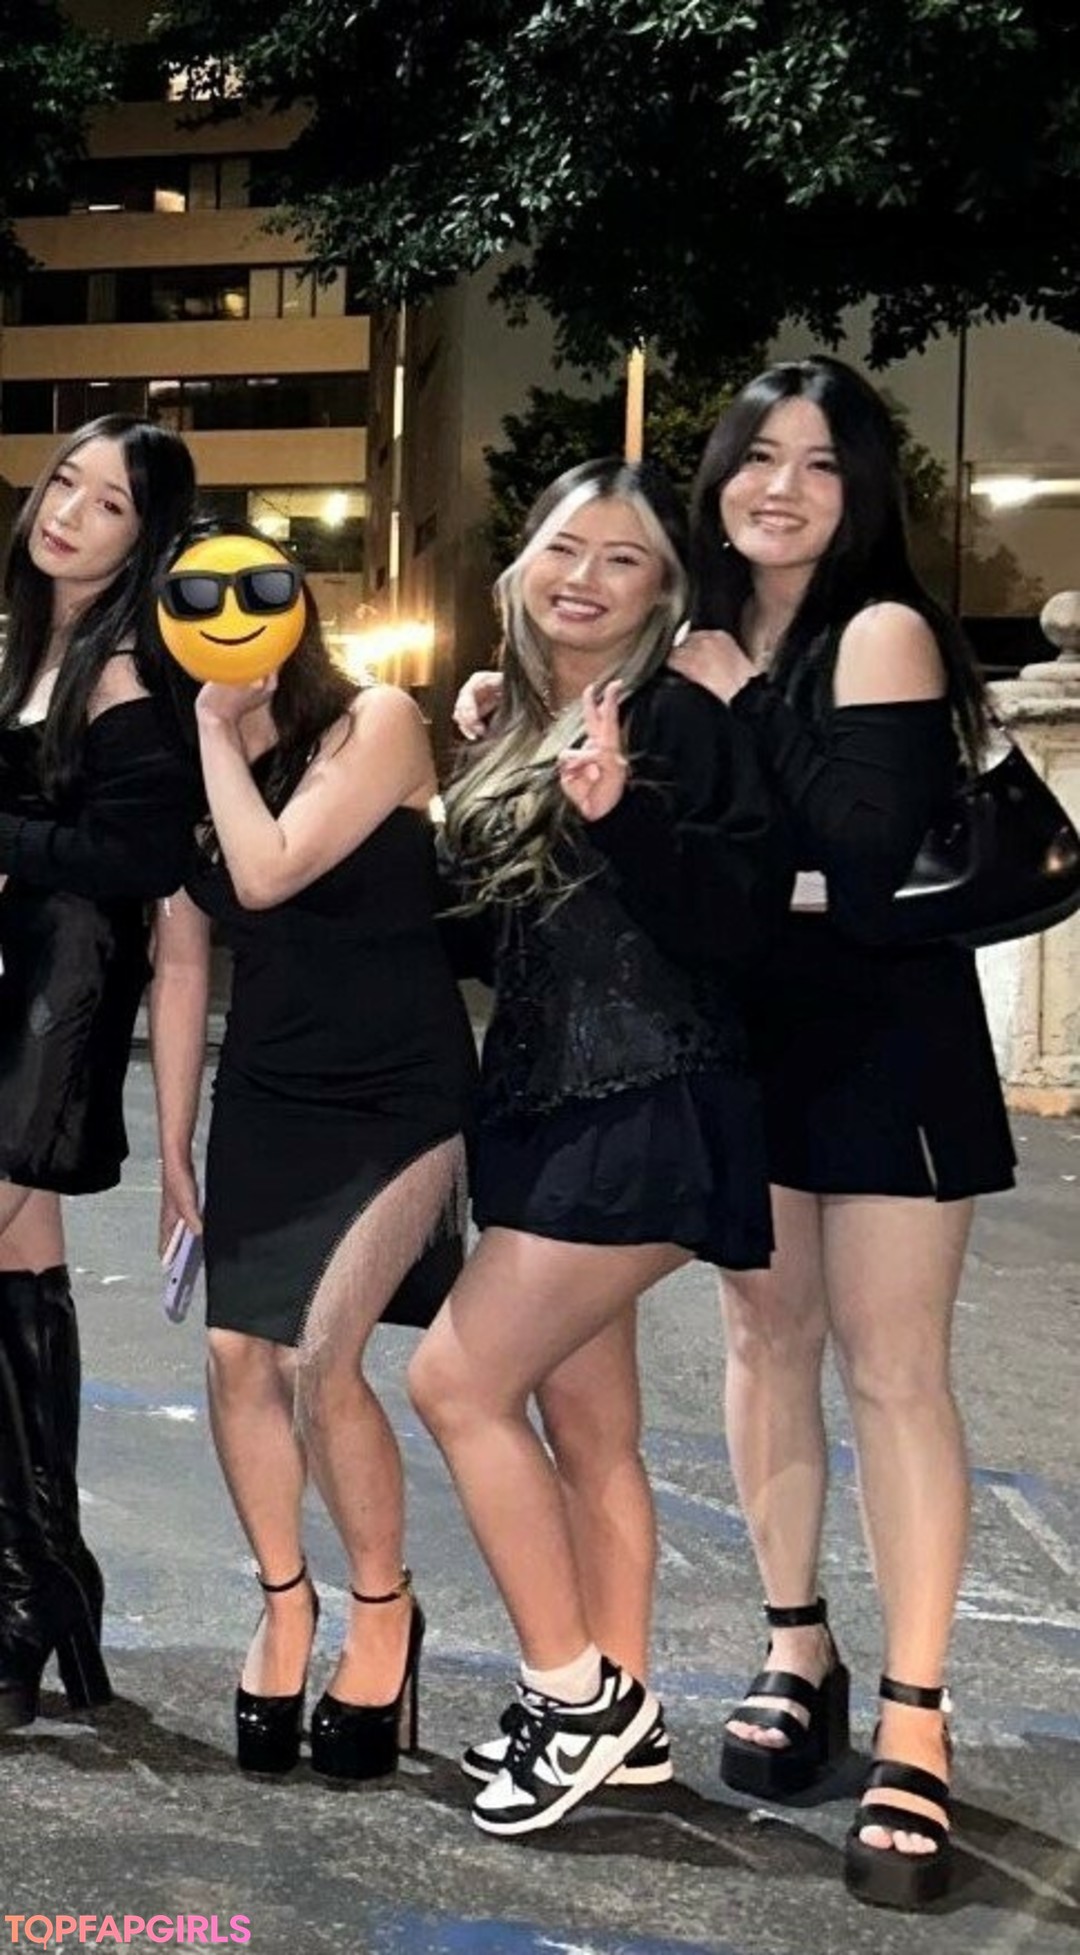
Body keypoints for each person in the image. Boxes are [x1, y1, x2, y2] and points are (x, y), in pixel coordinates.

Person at [451, 357, 1016, 1909]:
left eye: (821, 464)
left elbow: (857, 857)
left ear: (863, 489)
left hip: (887, 1041)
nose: (782, 488)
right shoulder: (689, 630)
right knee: (766, 1344)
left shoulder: (877, 633)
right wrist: (524, 713)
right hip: (744, 1033)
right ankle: (795, 1642)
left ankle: (915, 1717)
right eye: (758, 456)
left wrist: (735, 695)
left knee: (893, 1369)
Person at [408, 457, 791, 1837]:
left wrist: (623, 806)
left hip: (648, 1097)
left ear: (664, 592)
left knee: (456, 1380)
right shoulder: (513, 720)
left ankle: (571, 1691)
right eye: (566, 547)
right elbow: (480, 940)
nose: (586, 577)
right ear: (524, 566)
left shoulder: (676, 717)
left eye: (624, 558)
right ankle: (623, 1714)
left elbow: (739, 921)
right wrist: (471, 768)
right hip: (535, 1104)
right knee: (588, 1426)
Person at [148, 521, 477, 1781]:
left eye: (251, 589)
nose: (226, 616)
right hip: (270, 1090)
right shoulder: (189, 762)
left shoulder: (375, 721)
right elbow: (184, 962)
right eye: (195, 599)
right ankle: (286, 1602)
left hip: (399, 1086)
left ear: (297, 604)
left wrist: (211, 732)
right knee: (238, 1354)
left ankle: (383, 1613)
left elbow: (270, 870)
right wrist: (174, 1146)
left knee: (322, 1353)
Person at [0, 414, 198, 1733]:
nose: (68, 510)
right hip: (18, 984)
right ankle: (44, 1579)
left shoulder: (126, 671)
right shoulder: (33, 649)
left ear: (145, 538)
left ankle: (32, 1583)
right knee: (17, 1267)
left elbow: (143, 866)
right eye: (63, 480)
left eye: (109, 502)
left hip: (60, 993)